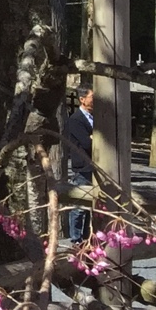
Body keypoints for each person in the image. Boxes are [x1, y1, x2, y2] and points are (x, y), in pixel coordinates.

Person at [65, 86, 94, 242]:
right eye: (92, 97)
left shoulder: (94, 117)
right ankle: (75, 239)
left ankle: (86, 236)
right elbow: (86, 143)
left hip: (95, 166)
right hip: (82, 167)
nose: (95, 100)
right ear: (82, 99)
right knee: (79, 206)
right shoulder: (76, 119)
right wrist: (91, 138)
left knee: (90, 204)